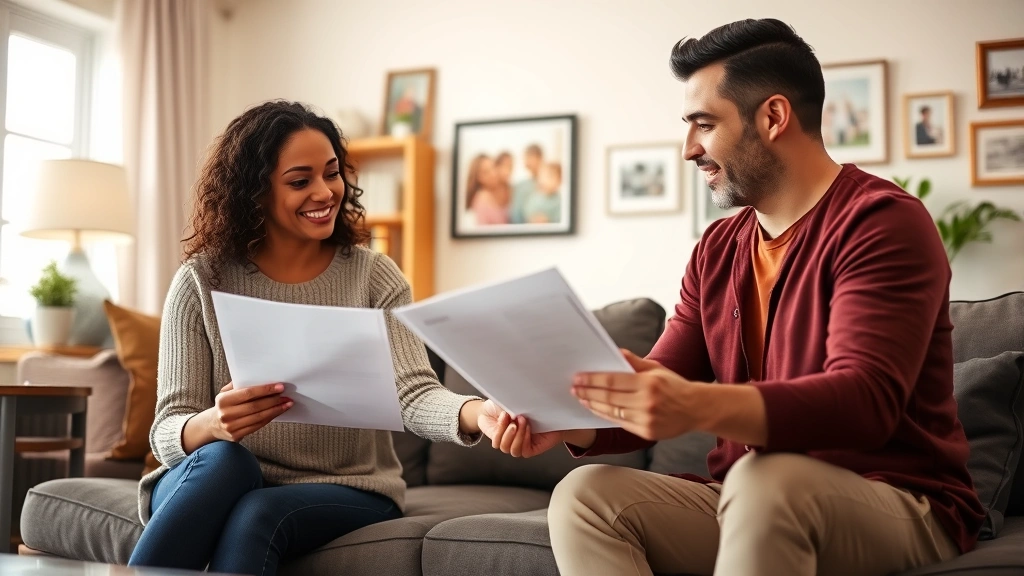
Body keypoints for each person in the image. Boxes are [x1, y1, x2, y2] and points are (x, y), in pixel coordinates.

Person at [487, 19, 983, 576]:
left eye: (704, 123)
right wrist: (563, 423)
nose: (687, 149)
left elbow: (865, 402)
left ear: (773, 117)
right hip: (747, 498)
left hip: (899, 501)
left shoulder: (881, 222)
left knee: (764, 479)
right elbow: (654, 386)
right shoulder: (718, 248)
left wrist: (694, 403)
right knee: (587, 495)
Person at [127, 100, 509, 576]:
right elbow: (167, 429)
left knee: (257, 512)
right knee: (229, 462)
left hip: (349, 488)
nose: (326, 191)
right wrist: (212, 425)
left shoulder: (373, 277)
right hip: (214, 475)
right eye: (299, 180)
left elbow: (413, 394)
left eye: (332, 173)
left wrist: (478, 414)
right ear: (255, 193)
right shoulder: (201, 280)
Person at [464, 154, 508, 225]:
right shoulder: (481, 199)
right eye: (486, 172)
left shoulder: (504, 189)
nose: (493, 173)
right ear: (478, 178)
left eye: (493, 167)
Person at [509, 143, 543, 223]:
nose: (526, 161)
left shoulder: (551, 184)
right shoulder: (520, 186)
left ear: (540, 158)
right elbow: (516, 215)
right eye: (525, 158)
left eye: (529, 157)